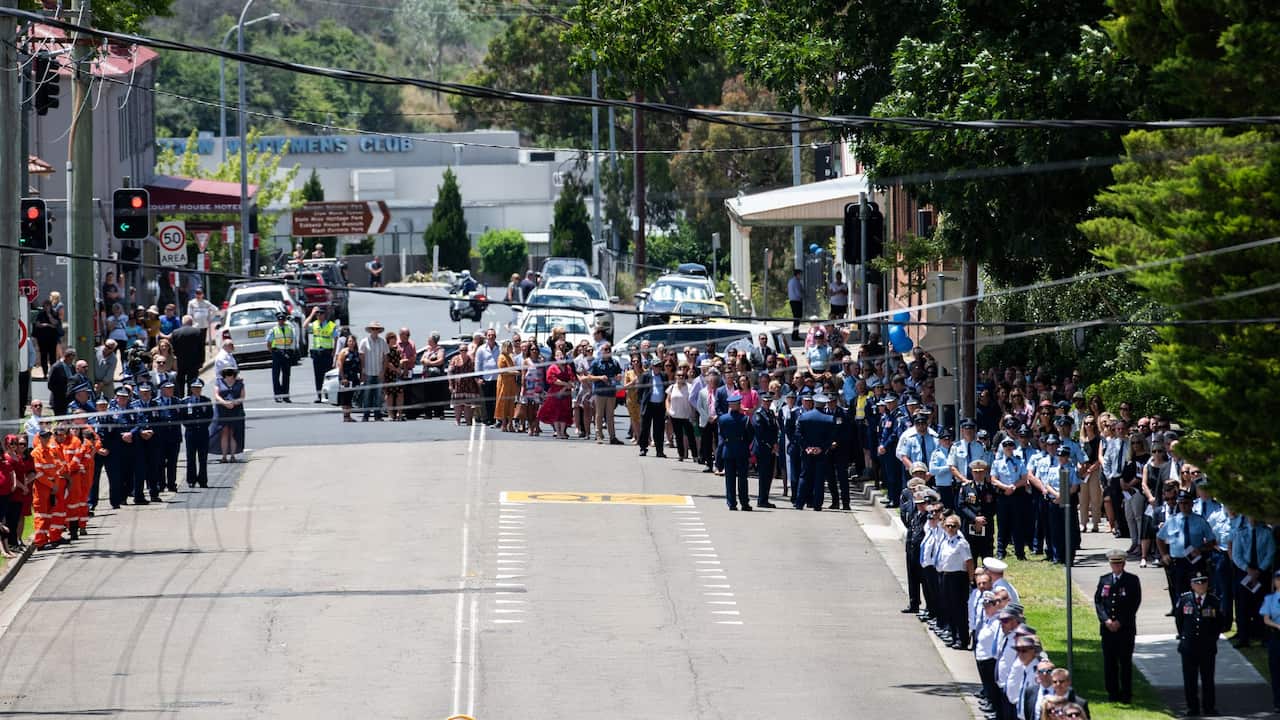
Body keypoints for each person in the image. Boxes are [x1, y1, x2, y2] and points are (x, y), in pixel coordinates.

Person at [1095, 548, 1141, 703]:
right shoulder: (1104, 580)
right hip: (1108, 629)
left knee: (1125, 662)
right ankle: (1112, 693)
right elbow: (1099, 602)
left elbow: (1134, 603)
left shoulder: (1132, 580)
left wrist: (1120, 621)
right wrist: (1106, 620)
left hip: (1125, 628)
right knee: (1110, 662)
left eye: (1119, 564)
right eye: (1113, 564)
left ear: (1123, 564)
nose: (1116, 567)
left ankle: (1126, 693)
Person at [1175, 574, 1225, 716]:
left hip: (1206, 647)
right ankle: (1192, 708)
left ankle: (1209, 707)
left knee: (1207, 678)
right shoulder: (1185, 600)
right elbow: (1179, 620)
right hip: (1189, 647)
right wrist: (1184, 636)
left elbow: (1219, 623)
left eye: (1203, 583)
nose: (1200, 586)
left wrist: (1212, 639)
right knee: (1190, 679)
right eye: (1197, 583)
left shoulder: (1213, 601)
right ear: (1192, 585)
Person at [1157, 491, 1218, 607]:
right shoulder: (1172, 521)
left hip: (1195, 562)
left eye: (1186, 503)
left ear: (1191, 504)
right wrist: (1164, 555)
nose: (1183, 506)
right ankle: (1179, 613)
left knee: (1197, 589)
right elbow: (1159, 538)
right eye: (1180, 503)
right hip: (1178, 562)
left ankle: (1196, 612)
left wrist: (1201, 549)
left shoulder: (1200, 521)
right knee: (1179, 591)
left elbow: (1212, 541)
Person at [1230, 514, 1275, 648]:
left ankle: (1264, 637)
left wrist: (1259, 570)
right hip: (1244, 573)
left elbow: (1270, 553)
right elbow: (1236, 555)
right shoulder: (1240, 533)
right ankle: (1244, 638)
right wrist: (1247, 569)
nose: (1253, 519)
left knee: (1262, 606)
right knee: (1243, 606)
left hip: (1262, 573)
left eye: (1255, 516)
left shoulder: (1266, 533)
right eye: (1250, 516)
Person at [938, 513, 975, 649]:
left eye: (953, 526)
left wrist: (971, 579)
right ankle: (954, 637)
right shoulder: (946, 541)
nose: (950, 528)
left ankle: (962, 639)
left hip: (958, 577)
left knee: (959, 610)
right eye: (948, 526)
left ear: (958, 527)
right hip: (946, 576)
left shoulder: (962, 543)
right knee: (949, 608)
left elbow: (969, 562)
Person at [796, 392, 836, 511]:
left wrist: (806, 447)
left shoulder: (803, 417)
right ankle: (817, 504)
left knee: (804, 476)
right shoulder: (829, 419)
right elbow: (831, 438)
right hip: (821, 453)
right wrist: (821, 448)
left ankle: (799, 503)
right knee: (819, 478)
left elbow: (798, 435)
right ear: (824, 405)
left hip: (807, 452)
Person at [718, 393, 754, 511]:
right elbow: (750, 435)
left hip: (728, 450)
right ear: (739, 405)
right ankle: (744, 502)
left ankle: (731, 503)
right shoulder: (745, 419)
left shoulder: (723, 419)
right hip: (742, 450)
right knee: (742, 478)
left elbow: (722, 435)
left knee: (730, 479)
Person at [29, 426, 63, 549]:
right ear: (39, 438)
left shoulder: (51, 451)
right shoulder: (35, 453)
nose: (47, 438)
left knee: (49, 514)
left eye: (48, 436)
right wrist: (52, 485)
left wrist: (56, 485)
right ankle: (40, 542)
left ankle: (46, 539)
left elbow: (58, 468)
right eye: (44, 437)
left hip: (52, 487)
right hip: (41, 488)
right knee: (41, 515)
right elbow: (38, 473)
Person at [585, 343, 624, 445]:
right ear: (601, 351)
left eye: (608, 349)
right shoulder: (596, 362)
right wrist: (600, 377)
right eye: (605, 349)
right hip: (600, 391)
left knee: (610, 415)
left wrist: (619, 376)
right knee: (599, 414)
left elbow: (619, 373)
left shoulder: (614, 362)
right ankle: (599, 435)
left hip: (611, 391)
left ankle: (612, 437)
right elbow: (589, 376)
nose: (606, 351)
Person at [210, 367, 246, 463]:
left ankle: (233, 456)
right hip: (222, 410)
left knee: (233, 433)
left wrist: (234, 403)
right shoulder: (219, 382)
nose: (229, 374)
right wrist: (225, 403)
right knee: (224, 432)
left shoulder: (239, 383)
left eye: (230, 372)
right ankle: (224, 456)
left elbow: (242, 397)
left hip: (236, 410)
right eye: (226, 372)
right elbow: (216, 395)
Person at [182, 378, 213, 488]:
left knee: (203, 458)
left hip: (203, 432)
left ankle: (203, 480)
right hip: (191, 433)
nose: (197, 390)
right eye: (195, 388)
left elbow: (210, 416)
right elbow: (183, 417)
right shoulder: (186, 401)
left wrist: (203, 426)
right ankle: (191, 479)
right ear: (191, 389)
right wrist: (190, 427)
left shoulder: (206, 400)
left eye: (199, 388)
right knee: (191, 458)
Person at [305, 306, 339, 404]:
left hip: (327, 353)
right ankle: (319, 396)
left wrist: (334, 351)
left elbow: (336, 338)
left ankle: (328, 396)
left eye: (321, 314)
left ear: (325, 315)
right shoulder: (314, 324)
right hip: (317, 353)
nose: (319, 315)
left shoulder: (331, 325)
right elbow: (304, 325)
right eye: (317, 314)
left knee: (328, 375)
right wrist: (311, 314)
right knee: (318, 376)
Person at [637, 359, 669, 457]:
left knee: (659, 429)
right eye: (655, 366)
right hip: (648, 405)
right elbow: (640, 391)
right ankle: (643, 448)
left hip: (660, 406)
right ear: (652, 366)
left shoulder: (664, 376)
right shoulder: (646, 376)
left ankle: (659, 450)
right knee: (644, 428)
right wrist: (641, 403)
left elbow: (666, 389)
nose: (657, 368)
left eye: (659, 366)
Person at [358, 322, 389, 421]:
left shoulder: (382, 342)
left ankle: (377, 415)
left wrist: (383, 372)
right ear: (370, 330)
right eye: (373, 329)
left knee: (378, 395)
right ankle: (366, 415)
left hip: (378, 372)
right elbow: (361, 358)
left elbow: (385, 358)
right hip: (368, 372)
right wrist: (362, 372)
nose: (374, 331)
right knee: (367, 395)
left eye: (376, 329)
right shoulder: (364, 341)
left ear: (379, 331)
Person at [1258, 570, 1280, 712]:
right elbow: (1266, 619)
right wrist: (1278, 625)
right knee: (1276, 670)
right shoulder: (1270, 599)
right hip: (1277, 636)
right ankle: (1278, 701)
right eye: (1278, 579)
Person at [265, 311, 297, 403]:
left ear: (285, 320)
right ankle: (277, 395)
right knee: (276, 375)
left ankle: (285, 395)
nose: (281, 321)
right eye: (279, 320)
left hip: (287, 353)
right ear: (277, 320)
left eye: (283, 319)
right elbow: (268, 343)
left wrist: (291, 352)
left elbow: (293, 340)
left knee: (286, 375)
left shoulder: (290, 328)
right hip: (277, 353)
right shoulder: (274, 330)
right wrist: (273, 352)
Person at [169, 316, 204, 396]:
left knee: (180, 381)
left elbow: (173, 348)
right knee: (192, 381)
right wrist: (202, 361)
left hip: (180, 361)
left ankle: (181, 397)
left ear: (182, 322)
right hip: (193, 362)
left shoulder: (175, 332)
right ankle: (190, 397)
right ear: (191, 322)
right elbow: (201, 348)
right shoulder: (197, 332)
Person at [448, 342, 480, 425]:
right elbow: (450, 372)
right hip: (458, 386)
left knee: (467, 405)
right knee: (457, 405)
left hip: (469, 386)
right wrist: (450, 384)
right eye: (462, 350)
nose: (463, 352)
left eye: (465, 350)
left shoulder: (471, 360)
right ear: (459, 351)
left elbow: (475, 372)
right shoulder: (455, 359)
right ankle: (457, 421)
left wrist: (478, 381)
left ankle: (468, 421)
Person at [335, 334, 362, 423]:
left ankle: (349, 415)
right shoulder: (344, 352)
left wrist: (361, 376)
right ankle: (345, 415)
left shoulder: (356, 352)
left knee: (350, 396)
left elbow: (360, 366)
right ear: (347, 342)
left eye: (353, 341)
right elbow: (340, 365)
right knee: (345, 397)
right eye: (349, 341)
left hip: (353, 377)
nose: (351, 343)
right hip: (345, 377)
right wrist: (343, 378)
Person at [422, 332, 448, 420]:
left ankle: (440, 413)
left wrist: (429, 363)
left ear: (433, 340)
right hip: (427, 376)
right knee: (427, 395)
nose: (428, 340)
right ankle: (428, 413)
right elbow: (422, 359)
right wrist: (427, 361)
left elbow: (440, 361)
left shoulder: (440, 350)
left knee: (438, 394)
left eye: (429, 338)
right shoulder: (427, 350)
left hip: (437, 376)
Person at [495, 341, 519, 432]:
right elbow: (502, 371)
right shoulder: (502, 357)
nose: (511, 348)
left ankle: (510, 424)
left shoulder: (510, 357)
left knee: (511, 403)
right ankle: (504, 424)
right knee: (503, 403)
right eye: (509, 347)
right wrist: (514, 372)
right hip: (504, 383)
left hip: (511, 383)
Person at [46, 348, 75, 417]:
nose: (71, 361)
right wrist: (61, 393)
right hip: (58, 400)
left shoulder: (72, 367)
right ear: (65, 357)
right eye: (70, 359)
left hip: (69, 400)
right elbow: (50, 384)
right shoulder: (56, 367)